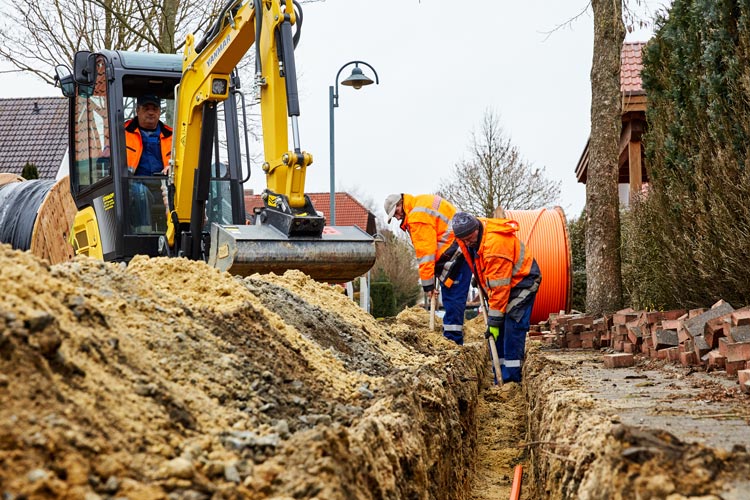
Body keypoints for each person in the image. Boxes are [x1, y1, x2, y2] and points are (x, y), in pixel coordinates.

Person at [451, 211, 541, 383]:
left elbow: (500, 288)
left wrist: (494, 321)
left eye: (471, 237)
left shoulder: (496, 245)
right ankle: (499, 376)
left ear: (476, 227)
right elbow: (484, 263)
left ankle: (511, 382)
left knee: (511, 327)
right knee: (497, 334)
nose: (469, 242)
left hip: (523, 281)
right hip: (505, 279)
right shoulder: (474, 236)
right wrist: (480, 276)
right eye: (465, 240)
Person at [384, 193, 472, 345]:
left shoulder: (416, 217)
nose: (397, 218)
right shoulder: (422, 202)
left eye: (396, 213)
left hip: (455, 257)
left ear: (400, 205)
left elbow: (426, 255)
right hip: (457, 252)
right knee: (453, 301)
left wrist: (428, 286)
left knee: (453, 301)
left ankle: (453, 343)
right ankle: (453, 341)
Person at [124, 94, 173, 230]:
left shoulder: (172, 136)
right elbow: (106, 158)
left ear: (159, 112)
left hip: (163, 185)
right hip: (133, 184)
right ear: (137, 110)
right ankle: (143, 233)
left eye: (155, 108)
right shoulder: (123, 133)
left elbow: (181, 159)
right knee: (140, 192)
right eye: (146, 108)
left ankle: (177, 234)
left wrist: (172, 167)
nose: (151, 112)